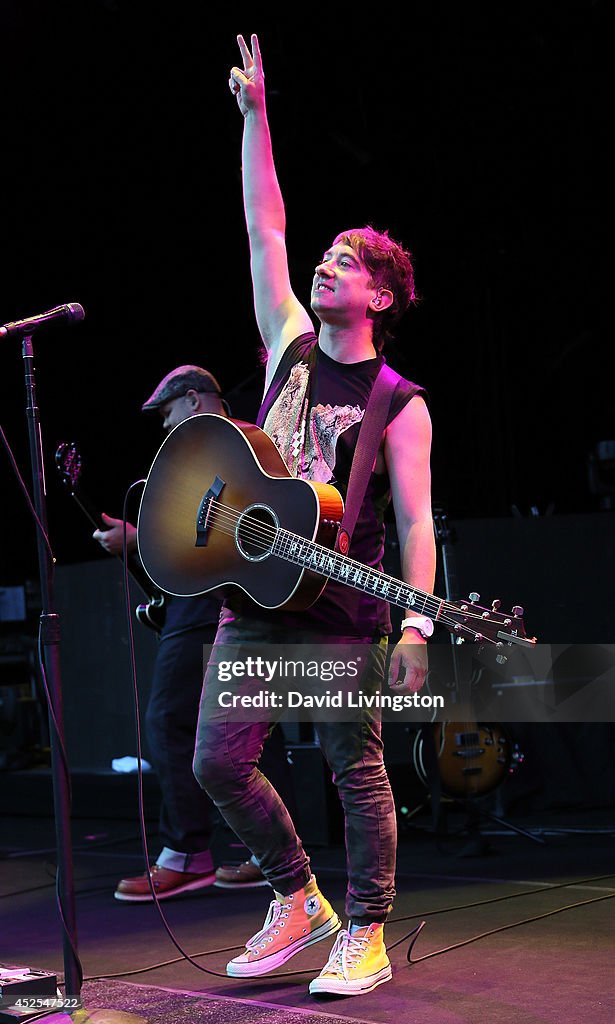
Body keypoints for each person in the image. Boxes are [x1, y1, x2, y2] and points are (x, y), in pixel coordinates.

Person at [191, 34, 436, 997]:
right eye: (325, 255)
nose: (326, 266)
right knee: (217, 759)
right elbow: (265, 231)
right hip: (256, 588)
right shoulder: (287, 342)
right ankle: (297, 898)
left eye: (348, 262)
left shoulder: (399, 401)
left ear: (380, 295)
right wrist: (256, 119)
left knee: (352, 769)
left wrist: (416, 619)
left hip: (342, 610)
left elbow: (414, 524)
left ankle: (365, 931)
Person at [93, 365, 286, 900]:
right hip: (212, 597)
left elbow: (230, 523)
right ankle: (262, 848)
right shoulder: (210, 448)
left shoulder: (240, 442)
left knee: (172, 717)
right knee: (237, 729)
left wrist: (137, 540)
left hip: (214, 595)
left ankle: (189, 852)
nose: (162, 425)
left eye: (167, 411)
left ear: (196, 399)